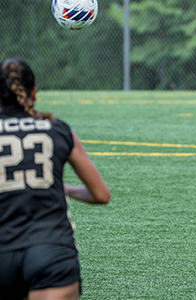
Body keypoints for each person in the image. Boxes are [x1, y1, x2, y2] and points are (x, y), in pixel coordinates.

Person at [0, 58, 111, 300]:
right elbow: (101, 195)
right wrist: (65, 189)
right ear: (34, 92)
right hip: (52, 252)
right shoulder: (57, 129)